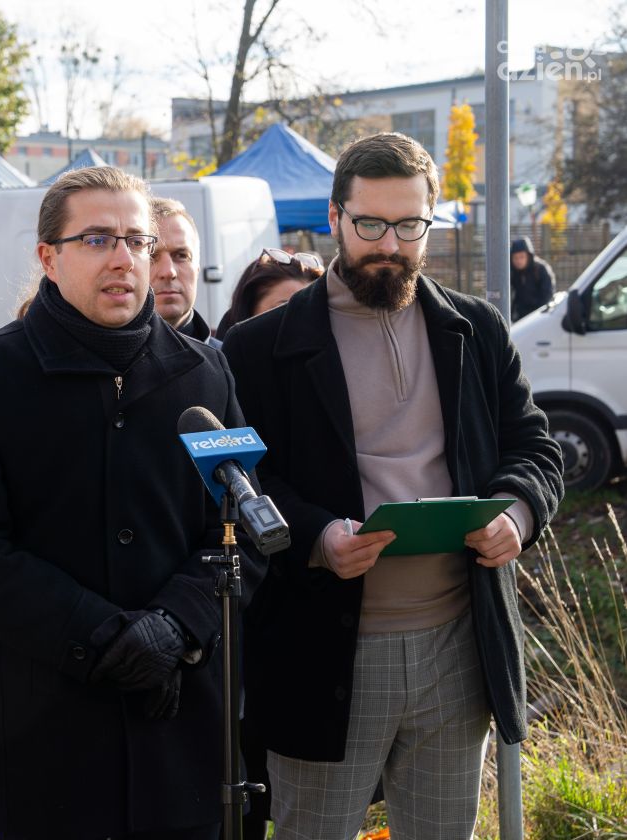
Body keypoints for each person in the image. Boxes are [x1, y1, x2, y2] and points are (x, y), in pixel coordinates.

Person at [222, 133, 564, 840]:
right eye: (370, 224)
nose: (390, 243)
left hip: (459, 644)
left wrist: (520, 514)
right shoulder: (261, 348)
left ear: (431, 224)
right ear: (334, 217)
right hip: (324, 651)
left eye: (410, 226)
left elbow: (534, 446)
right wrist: (316, 537)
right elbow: (243, 479)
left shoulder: (476, 328)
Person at [0, 165, 261, 839]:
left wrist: (174, 627)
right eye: (99, 239)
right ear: (48, 256)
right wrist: (103, 638)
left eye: (138, 241)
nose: (124, 259)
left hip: (182, 725)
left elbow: (241, 531)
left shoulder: (204, 370)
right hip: (50, 729)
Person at [215, 248, 323, 342]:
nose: (302, 321)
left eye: (310, 310)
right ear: (248, 311)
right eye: (284, 310)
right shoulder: (217, 362)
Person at [150, 196, 215, 342]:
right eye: (151, 257)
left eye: (181, 255)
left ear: (197, 268)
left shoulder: (229, 361)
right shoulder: (95, 363)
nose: (168, 272)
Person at [510, 236, 555, 321]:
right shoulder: (512, 272)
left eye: (522, 257)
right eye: (515, 258)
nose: (518, 261)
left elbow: (547, 296)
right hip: (519, 319)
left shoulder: (541, 269)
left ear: (529, 256)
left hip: (539, 318)